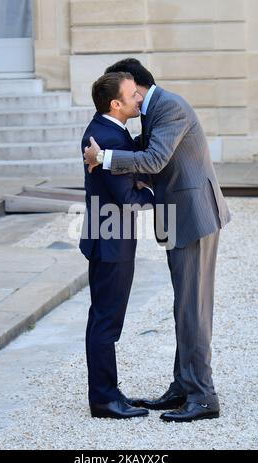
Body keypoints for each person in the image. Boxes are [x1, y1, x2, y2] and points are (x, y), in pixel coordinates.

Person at [84, 58, 231, 423]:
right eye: (126, 94)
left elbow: (153, 159)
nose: (132, 98)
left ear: (140, 86)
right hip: (178, 218)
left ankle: (202, 397)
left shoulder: (170, 107)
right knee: (185, 306)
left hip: (193, 217)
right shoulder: (152, 111)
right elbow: (141, 150)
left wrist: (103, 158)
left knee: (193, 309)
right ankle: (184, 386)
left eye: (132, 91)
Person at [80, 72, 154, 419]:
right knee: (107, 321)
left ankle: (107, 392)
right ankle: (105, 400)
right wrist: (158, 193)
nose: (139, 98)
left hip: (107, 235)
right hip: (112, 240)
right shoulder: (109, 137)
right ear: (116, 104)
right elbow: (129, 199)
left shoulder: (110, 131)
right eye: (132, 94)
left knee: (104, 318)